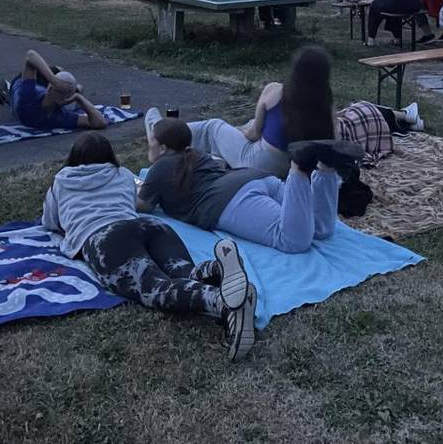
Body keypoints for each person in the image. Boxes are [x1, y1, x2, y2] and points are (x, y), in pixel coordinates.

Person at [41, 133, 257, 361]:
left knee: (157, 288)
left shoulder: (62, 180)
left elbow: (50, 222)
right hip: (149, 226)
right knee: (183, 271)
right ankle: (216, 269)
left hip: (106, 238)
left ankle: (222, 303)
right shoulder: (122, 174)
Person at [140, 118, 359, 254]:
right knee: (320, 229)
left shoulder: (159, 169)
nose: (147, 146)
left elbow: (142, 206)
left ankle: (299, 167)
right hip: (255, 178)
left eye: (149, 142)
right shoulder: (196, 154)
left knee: (293, 240)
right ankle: (326, 168)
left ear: (161, 148)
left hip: (229, 199)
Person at [166, 46, 336, 178]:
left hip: (262, 164)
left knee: (213, 128)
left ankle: (166, 135)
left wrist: (240, 131)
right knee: (232, 140)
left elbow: (253, 135)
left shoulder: (275, 91)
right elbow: (334, 141)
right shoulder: (326, 104)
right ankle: (214, 163)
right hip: (301, 168)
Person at [11, 49, 108, 131]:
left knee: (66, 78)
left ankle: (72, 85)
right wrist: (55, 82)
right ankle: (59, 74)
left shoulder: (61, 117)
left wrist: (79, 98)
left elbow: (100, 123)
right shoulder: (28, 98)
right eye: (60, 91)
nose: (62, 96)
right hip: (22, 82)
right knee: (57, 71)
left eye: (65, 94)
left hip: (43, 85)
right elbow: (30, 55)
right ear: (50, 88)